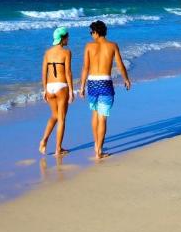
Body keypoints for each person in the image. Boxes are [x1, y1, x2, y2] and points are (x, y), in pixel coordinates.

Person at [78, 20, 130, 159]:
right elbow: (120, 65)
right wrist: (126, 79)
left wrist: (82, 86)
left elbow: (85, 67)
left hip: (92, 83)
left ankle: (96, 145)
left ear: (96, 32)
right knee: (103, 118)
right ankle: (99, 151)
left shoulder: (89, 46)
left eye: (91, 32)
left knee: (95, 114)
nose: (91, 35)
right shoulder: (112, 45)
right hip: (105, 82)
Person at [39, 26, 74, 156]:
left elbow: (43, 72)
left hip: (49, 87)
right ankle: (58, 148)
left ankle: (44, 140)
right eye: (67, 37)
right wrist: (71, 91)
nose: (68, 39)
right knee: (62, 119)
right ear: (62, 38)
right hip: (61, 86)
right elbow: (68, 73)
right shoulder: (66, 52)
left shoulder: (47, 53)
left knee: (54, 116)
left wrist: (44, 90)